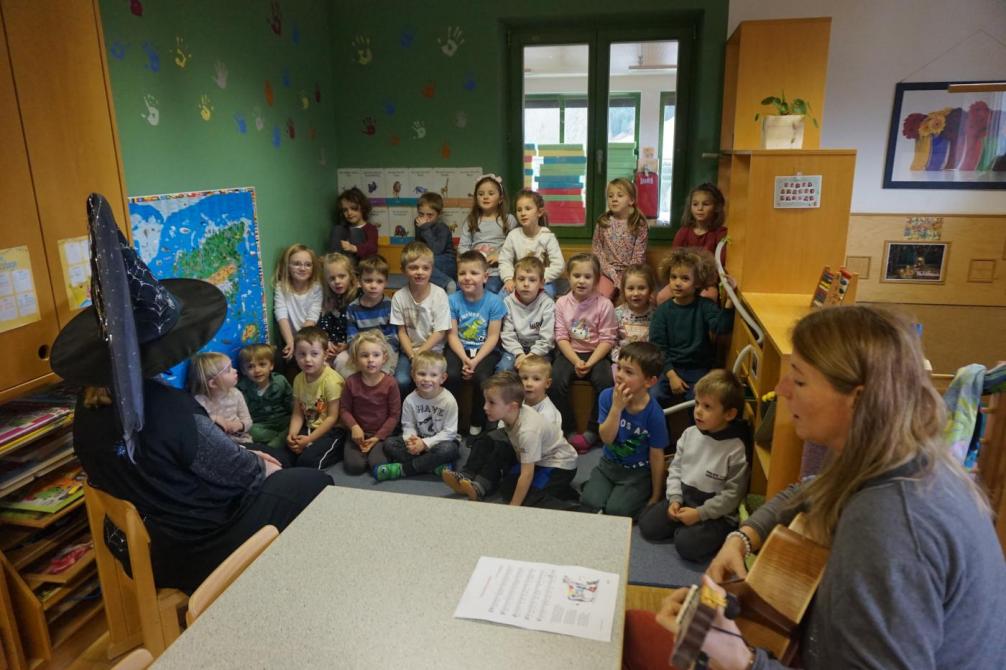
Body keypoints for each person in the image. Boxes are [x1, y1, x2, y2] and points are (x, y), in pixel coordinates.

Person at [627, 306, 1006, 670]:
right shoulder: (888, 453)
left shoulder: (889, 525)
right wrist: (742, 538)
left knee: (635, 639)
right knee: (634, 630)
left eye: (800, 378)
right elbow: (807, 490)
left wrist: (741, 661)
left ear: (858, 399)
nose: (782, 387)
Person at [52, 193, 330, 594]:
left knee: (273, 464)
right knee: (314, 483)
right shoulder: (171, 410)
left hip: (143, 545)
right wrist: (259, 463)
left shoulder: (88, 405)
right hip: (197, 547)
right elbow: (239, 475)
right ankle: (278, 590)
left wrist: (248, 458)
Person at [637, 369, 748, 560]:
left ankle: (692, 530)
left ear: (729, 414)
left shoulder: (735, 448)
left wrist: (700, 514)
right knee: (647, 525)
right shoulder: (689, 433)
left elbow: (732, 495)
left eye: (707, 406)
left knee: (687, 545)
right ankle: (684, 523)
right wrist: (674, 499)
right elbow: (675, 468)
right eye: (697, 403)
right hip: (685, 498)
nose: (698, 410)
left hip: (715, 513)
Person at [445, 354, 560, 500]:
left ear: (547, 383)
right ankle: (467, 474)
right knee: (485, 440)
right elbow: (502, 426)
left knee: (499, 451)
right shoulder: (515, 400)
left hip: (534, 455)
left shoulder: (548, 412)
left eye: (536, 379)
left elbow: (540, 446)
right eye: (524, 378)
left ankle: (480, 485)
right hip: (517, 443)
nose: (529, 384)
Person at [580, 342, 669, 518]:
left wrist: (656, 495)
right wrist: (616, 408)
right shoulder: (607, 396)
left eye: (628, 372)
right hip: (608, 465)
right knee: (589, 503)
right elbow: (606, 438)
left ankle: (630, 494)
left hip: (636, 473)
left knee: (617, 510)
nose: (619, 375)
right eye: (619, 368)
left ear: (649, 381)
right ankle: (600, 488)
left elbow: (657, 455)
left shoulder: (654, 413)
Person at [548, 253, 618, 452]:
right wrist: (576, 360)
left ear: (596, 280)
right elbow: (561, 336)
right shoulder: (561, 303)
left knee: (606, 384)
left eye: (587, 277)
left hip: (597, 353)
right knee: (555, 380)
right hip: (570, 352)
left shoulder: (604, 305)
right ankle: (568, 429)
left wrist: (589, 362)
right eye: (576, 275)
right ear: (568, 277)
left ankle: (593, 431)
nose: (581, 281)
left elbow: (607, 339)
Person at [650, 247, 734, 407]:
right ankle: (661, 431)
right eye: (673, 277)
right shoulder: (662, 311)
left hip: (698, 369)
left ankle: (697, 432)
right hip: (669, 367)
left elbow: (721, 327)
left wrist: (729, 301)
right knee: (654, 396)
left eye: (684, 278)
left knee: (699, 402)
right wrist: (671, 375)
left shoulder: (705, 306)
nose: (677, 283)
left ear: (697, 283)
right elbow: (658, 348)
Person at [483, 372, 578, 508]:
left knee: (529, 499)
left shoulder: (528, 431)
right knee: (507, 488)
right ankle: (562, 491)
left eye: (491, 402)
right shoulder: (513, 414)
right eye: (486, 401)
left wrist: (513, 507)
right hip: (538, 459)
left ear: (512, 406)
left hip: (559, 463)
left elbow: (527, 474)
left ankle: (579, 510)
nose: (485, 407)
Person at [445, 251, 507, 435]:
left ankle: (476, 424)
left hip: (485, 350)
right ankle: (453, 423)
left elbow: (493, 337)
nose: (467, 278)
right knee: (451, 375)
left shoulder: (495, 302)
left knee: (483, 379)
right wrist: (465, 358)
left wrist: (475, 361)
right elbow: (452, 335)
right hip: (459, 348)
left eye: (474, 273)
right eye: (462, 273)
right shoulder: (451, 300)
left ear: (485, 277)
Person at [376, 351, 460, 481]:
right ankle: (433, 466)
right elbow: (408, 426)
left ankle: (404, 469)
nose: (427, 379)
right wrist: (413, 441)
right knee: (389, 444)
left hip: (439, 442)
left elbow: (450, 432)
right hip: (417, 440)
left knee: (450, 450)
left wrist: (425, 444)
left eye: (433, 375)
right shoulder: (410, 400)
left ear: (442, 378)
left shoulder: (448, 400)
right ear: (413, 375)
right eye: (421, 374)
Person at [391, 241, 451, 395]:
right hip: (409, 351)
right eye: (413, 267)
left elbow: (440, 332)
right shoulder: (399, 296)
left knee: (434, 379)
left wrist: (420, 355)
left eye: (425, 268)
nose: (420, 272)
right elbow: (401, 331)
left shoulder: (439, 294)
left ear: (432, 270)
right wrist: (412, 355)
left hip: (433, 351)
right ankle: (405, 415)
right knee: (402, 380)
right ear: (403, 271)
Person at [339, 330, 401, 476]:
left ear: (384, 358)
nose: (371, 360)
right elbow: (344, 409)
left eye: (376, 355)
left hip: (380, 434)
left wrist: (377, 438)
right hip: (357, 434)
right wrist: (354, 427)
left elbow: (394, 415)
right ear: (355, 359)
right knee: (354, 467)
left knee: (378, 465)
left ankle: (377, 450)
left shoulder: (391, 383)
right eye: (364, 355)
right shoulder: (351, 382)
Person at [287, 326, 346, 469]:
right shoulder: (298, 379)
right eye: (301, 354)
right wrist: (292, 434)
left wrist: (308, 440)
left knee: (306, 463)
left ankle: (339, 449)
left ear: (325, 355)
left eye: (314, 354)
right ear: (295, 355)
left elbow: (332, 418)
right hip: (310, 424)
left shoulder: (332, 381)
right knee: (287, 456)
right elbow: (297, 412)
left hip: (333, 429)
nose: (307, 360)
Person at [659, 182, 728, 304]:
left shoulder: (720, 234)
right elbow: (673, 260)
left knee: (708, 296)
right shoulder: (684, 232)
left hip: (707, 282)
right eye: (695, 204)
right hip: (683, 280)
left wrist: (700, 280)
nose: (699, 208)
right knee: (662, 297)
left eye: (705, 204)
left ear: (716, 207)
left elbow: (719, 264)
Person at [336, 255, 399, 381]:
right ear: (359, 282)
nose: (373, 285)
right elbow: (352, 337)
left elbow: (392, 337)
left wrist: (378, 353)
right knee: (340, 360)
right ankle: (357, 388)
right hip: (360, 349)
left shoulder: (390, 305)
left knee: (381, 371)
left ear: (386, 282)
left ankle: (374, 387)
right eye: (368, 280)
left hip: (384, 349)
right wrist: (363, 353)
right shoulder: (353, 308)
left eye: (379, 281)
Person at [497, 189, 564, 298]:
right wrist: (509, 278)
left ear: (539, 212)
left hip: (543, 280)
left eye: (528, 209)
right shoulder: (513, 235)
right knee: (501, 297)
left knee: (545, 297)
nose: (523, 213)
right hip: (519, 279)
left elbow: (558, 265)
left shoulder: (547, 237)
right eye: (519, 210)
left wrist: (538, 278)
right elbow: (504, 260)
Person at [457, 173, 517, 294]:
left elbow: (516, 246)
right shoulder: (471, 220)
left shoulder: (509, 220)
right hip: (473, 270)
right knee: (460, 290)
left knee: (490, 289)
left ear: (500, 198)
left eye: (491, 193)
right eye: (481, 194)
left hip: (497, 272)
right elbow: (463, 246)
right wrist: (475, 258)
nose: (485, 197)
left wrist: (500, 256)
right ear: (476, 198)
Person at [591, 177, 648, 301]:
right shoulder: (603, 222)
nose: (614, 199)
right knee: (600, 299)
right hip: (607, 273)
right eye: (610, 196)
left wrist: (626, 276)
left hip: (632, 273)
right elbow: (597, 251)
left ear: (631, 200)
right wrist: (611, 273)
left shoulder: (639, 224)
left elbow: (639, 255)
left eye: (620, 195)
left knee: (632, 298)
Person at [237, 343, 294, 463]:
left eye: (262, 364)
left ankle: (273, 445)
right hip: (261, 424)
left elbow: (290, 402)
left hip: (282, 419)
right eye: (250, 367)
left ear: (271, 366)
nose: (257, 370)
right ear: (244, 370)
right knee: (253, 431)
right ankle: (276, 445)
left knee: (294, 425)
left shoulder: (280, 381)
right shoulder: (242, 388)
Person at [497, 255, 555, 372]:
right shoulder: (508, 302)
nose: (526, 284)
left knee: (537, 370)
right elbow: (507, 334)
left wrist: (532, 354)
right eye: (521, 279)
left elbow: (547, 338)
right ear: (514, 281)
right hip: (514, 350)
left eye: (532, 280)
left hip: (540, 350)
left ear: (542, 283)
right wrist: (519, 354)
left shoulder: (548, 304)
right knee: (504, 368)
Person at [189, 352, 253, 445]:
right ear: (213, 383)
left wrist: (239, 425)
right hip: (217, 445)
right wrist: (213, 419)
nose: (235, 370)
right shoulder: (200, 401)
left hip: (241, 440)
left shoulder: (236, 393)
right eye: (228, 370)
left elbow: (248, 420)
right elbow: (197, 428)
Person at [273, 243, 322, 362]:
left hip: (310, 336)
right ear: (287, 267)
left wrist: (299, 343)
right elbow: (281, 315)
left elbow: (312, 317)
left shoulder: (317, 288)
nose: (302, 268)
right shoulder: (281, 287)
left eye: (308, 265)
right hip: (289, 337)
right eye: (296, 264)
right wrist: (290, 342)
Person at [611, 263, 657, 373]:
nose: (636, 293)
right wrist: (622, 360)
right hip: (622, 363)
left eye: (641, 288)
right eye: (630, 288)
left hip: (647, 364)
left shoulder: (656, 314)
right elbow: (612, 343)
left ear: (650, 290)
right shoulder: (617, 313)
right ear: (623, 290)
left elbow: (657, 344)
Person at [317, 252, 359, 366]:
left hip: (354, 345)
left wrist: (348, 345)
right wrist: (327, 342)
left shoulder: (358, 297)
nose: (337, 281)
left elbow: (363, 329)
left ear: (350, 276)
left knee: (341, 362)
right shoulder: (328, 298)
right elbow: (323, 326)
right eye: (332, 278)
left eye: (342, 276)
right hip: (331, 347)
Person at [413, 192, 457, 292]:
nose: (425, 218)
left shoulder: (443, 228)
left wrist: (424, 228)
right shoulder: (418, 223)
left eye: (430, 215)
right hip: (430, 261)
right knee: (413, 262)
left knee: (423, 264)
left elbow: (437, 250)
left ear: (439, 214)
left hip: (446, 261)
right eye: (421, 214)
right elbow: (418, 245)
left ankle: (448, 283)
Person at [328, 186, 378, 265]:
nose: (349, 213)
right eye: (345, 210)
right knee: (338, 229)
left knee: (356, 232)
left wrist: (354, 248)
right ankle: (331, 262)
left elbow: (372, 248)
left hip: (362, 267)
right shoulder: (341, 230)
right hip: (343, 267)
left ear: (362, 207)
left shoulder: (371, 229)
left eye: (353, 208)